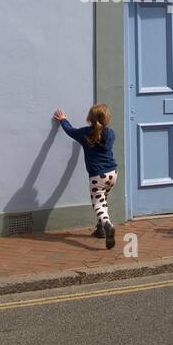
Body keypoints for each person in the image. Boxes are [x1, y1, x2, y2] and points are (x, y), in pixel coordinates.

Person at [54, 104, 118, 249]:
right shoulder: (111, 133)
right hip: (112, 174)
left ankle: (107, 225)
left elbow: (70, 131)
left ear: (89, 117)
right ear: (107, 118)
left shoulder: (85, 134)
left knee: (98, 205)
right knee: (103, 199)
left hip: (97, 176)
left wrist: (63, 119)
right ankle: (101, 229)